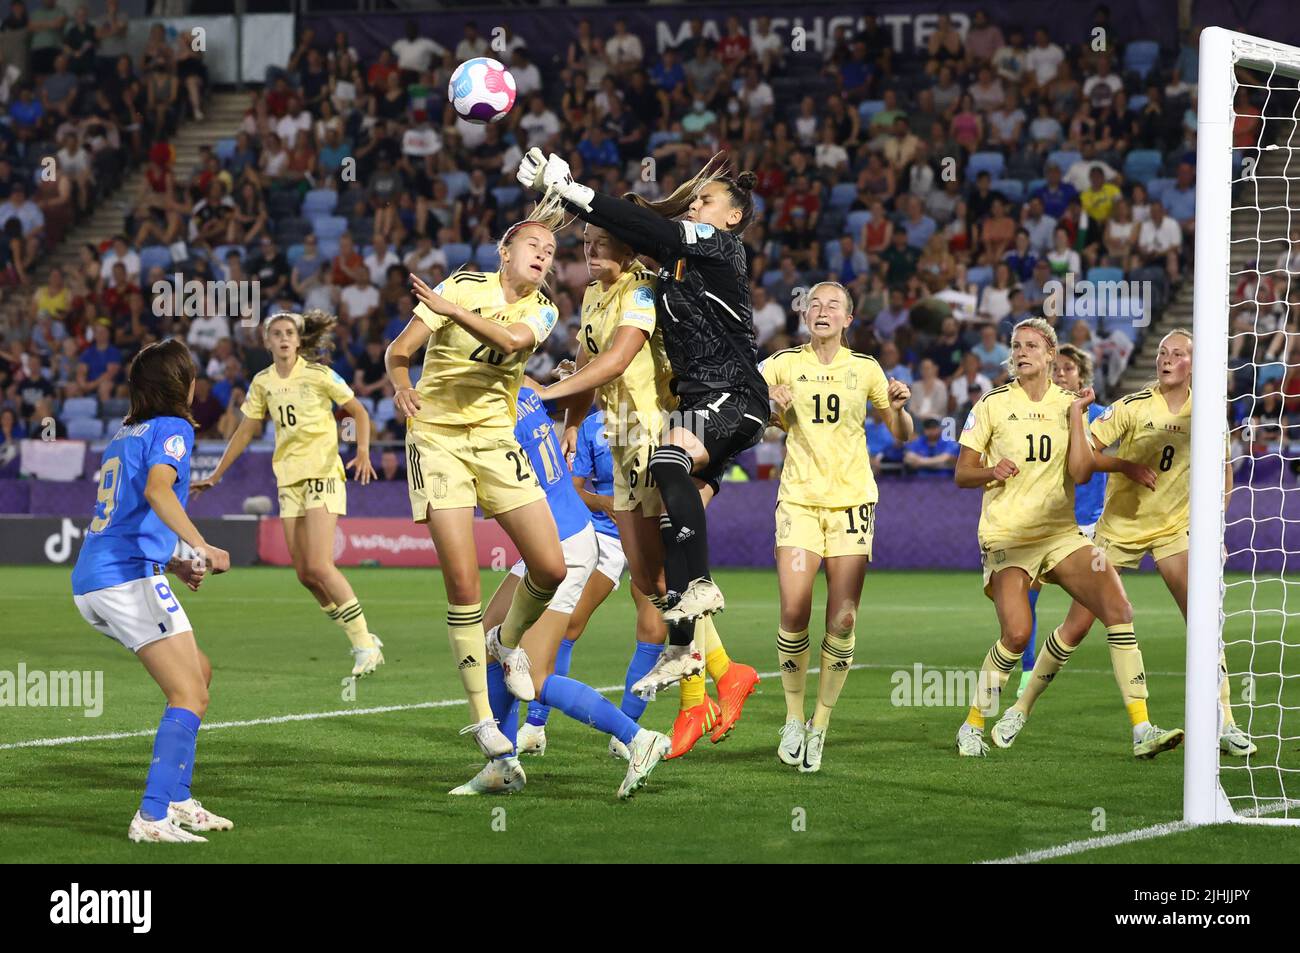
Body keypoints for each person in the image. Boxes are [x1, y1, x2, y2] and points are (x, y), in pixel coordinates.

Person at [390, 204, 671, 795]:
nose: (547, 254)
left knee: (534, 671)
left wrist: (449, 312)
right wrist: (404, 380)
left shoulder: (524, 362)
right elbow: (406, 352)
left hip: (566, 543)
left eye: (552, 248)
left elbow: (517, 340)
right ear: (504, 252)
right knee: (497, 641)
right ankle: (500, 757)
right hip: (557, 534)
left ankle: (638, 738)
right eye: (534, 244)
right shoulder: (521, 392)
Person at [532, 213, 760, 751]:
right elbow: (588, 362)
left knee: (659, 586)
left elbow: (617, 360)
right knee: (649, 581)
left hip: (660, 438)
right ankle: (726, 671)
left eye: (602, 241)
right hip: (619, 444)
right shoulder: (592, 296)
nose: (591, 251)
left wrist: (543, 395)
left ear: (627, 247)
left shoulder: (641, 290)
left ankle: (698, 695)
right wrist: (570, 423)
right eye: (587, 242)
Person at [996, 330, 1256, 757]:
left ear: (1194, 363)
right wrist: (1127, 465)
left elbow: (1224, 470)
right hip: (1116, 531)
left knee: (1204, 619)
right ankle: (1019, 709)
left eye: (1177, 354)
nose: (1166, 359)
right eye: (1161, 352)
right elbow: (1084, 457)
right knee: (1076, 628)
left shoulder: (1209, 413)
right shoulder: (1132, 408)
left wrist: (1218, 528)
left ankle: (1225, 721)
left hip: (1173, 530)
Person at [952, 318, 1183, 758]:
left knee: (1117, 607)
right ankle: (973, 722)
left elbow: (1080, 471)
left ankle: (1142, 729)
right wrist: (990, 470)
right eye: (1016, 346)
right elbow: (962, 473)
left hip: (1061, 534)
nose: (1022, 352)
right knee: (1017, 634)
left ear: (1050, 355)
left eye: (1032, 346)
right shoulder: (992, 404)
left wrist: (1077, 416)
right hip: (1009, 535)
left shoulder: (1070, 404)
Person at [70, 339, 234, 843]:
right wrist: (203, 546)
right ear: (180, 383)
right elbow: (158, 491)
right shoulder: (174, 428)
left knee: (198, 674)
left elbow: (127, 516)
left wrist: (177, 562)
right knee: (188, 692)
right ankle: (152, 816)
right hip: (123, 577)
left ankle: (179, 799)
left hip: (109, 572)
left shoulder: (125, 433)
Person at [763, 281, 913, 772]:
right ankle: (792, 717)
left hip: (851, 503)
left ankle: (820, 724)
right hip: (800, 502)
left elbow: (899, 433)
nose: (822, 310)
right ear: (804, 314)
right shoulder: (782, 364)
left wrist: (900, 407)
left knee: (843, 617)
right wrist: (770, 409)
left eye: (833, 306)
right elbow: (752, 425)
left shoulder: (866, 369)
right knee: (793, 607)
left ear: (849, 319)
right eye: (814, 304)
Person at [192, 311, 383, 677]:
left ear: (298, 340)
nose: (282, 339)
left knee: (321, 565)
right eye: (275, 334)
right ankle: (363, 638)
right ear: (267, 342)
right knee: (304, 574)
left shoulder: (318, 374)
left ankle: (363, 644)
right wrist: (216, 474)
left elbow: (358, 411)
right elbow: (246, 431)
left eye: (288, 333)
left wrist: (361, 451)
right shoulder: (262, 382)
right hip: (289, 480)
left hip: (323, 473)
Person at [1015, 343, 1111, 696]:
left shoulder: (1101, 415)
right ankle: (1025, 673)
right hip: (1048, 524)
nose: (1061, 374)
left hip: (1089, 527)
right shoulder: (1039, 413)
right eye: (1057, 368)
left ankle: (1130, 688)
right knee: (1023, 600)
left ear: (1082, 376)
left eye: (1068, 368)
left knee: (1099, 610)